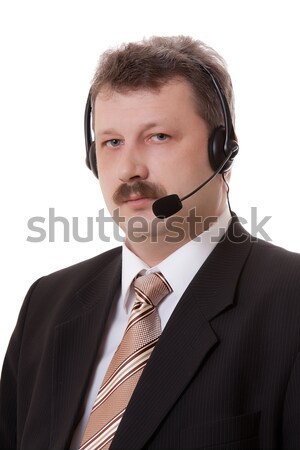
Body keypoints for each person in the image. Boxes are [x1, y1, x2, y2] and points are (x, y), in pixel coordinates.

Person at [1, 35, 300, 450]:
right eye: (112, 142)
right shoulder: (47, 303)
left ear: (223, 152)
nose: (128, 169)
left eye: (158, 136)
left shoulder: (291, 300)